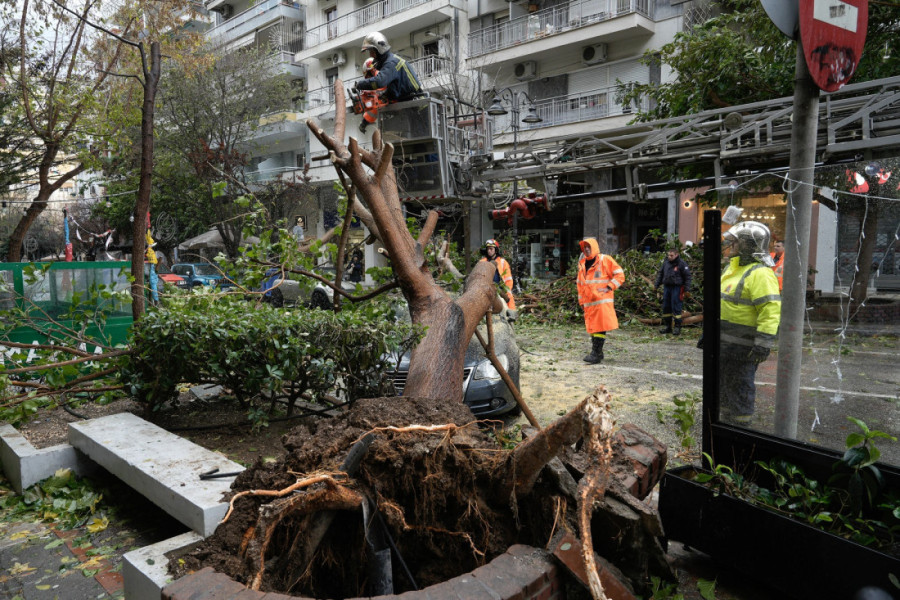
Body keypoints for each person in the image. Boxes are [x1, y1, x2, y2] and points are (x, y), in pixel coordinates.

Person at [719, 221, 781, 424]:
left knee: (741, 386)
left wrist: (763, 343)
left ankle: (741, 426)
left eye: (735, 242)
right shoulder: (731, 268)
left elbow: (770, 311)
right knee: (723, 384)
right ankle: (724, 422)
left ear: (747, 245)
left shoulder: (761, 274)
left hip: (744, 347)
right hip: (724, 343)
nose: (730, 245)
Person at [353, 31, 422, 134]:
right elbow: (396, 87)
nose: (371, 55)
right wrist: (385, 95)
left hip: (419, 108)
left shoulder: (391, 62)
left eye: (372, 51)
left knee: (421, 144)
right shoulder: (389, 63)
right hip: (410, 107)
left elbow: (380, 81)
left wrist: (360, 84)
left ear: (379, 49)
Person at [576, 237, 625, 364]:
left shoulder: (605, 260)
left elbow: (620, 275)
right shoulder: (582, 264)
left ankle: (596, 353)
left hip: (601, 301)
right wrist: (581, 301)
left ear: (594, 247)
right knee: (592, 328)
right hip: (589, 303)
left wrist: (609, 287)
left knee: (599, 328)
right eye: (584, 247)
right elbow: (580, 285)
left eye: (588, 247)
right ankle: (598, 352)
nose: (586, 249)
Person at [655, 245, 692, 336]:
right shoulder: (666, 263)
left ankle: (677, 327)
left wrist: (687, 290)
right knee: (666, 307)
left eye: (671, 255)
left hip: (677, 288)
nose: (669, 257)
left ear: (676, 255)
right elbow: (661, 274)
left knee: (676, 307)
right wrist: (656, 285)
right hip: (667, 287)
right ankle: (668, 326)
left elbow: (688, 277)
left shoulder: (682, 264)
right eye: (668, 255)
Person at [480, 239, 516, 310]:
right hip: (485, 288)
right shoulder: (482, 262)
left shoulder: (503, 262)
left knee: (509, 297)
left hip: (500, 288)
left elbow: (508, 280)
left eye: (491, 249)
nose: (489, 251)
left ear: (496, 250)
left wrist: (506, 290)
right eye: (488, 249)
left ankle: (512, 315)